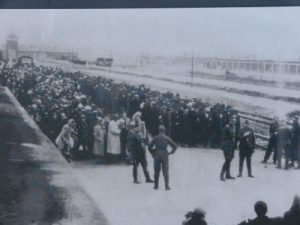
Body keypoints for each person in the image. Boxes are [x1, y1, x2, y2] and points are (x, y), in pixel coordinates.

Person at [148, 125, 177, 190]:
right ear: (164, 131)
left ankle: (156, 186)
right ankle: (167, 186)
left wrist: (153, 153)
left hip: (157, 154)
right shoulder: (167, 138)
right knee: (166, 171)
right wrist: (171, 152)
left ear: (158, 130)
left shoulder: (155, 138)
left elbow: (149, 147)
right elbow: (175, 146)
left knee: (156, 171)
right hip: (165, 155)